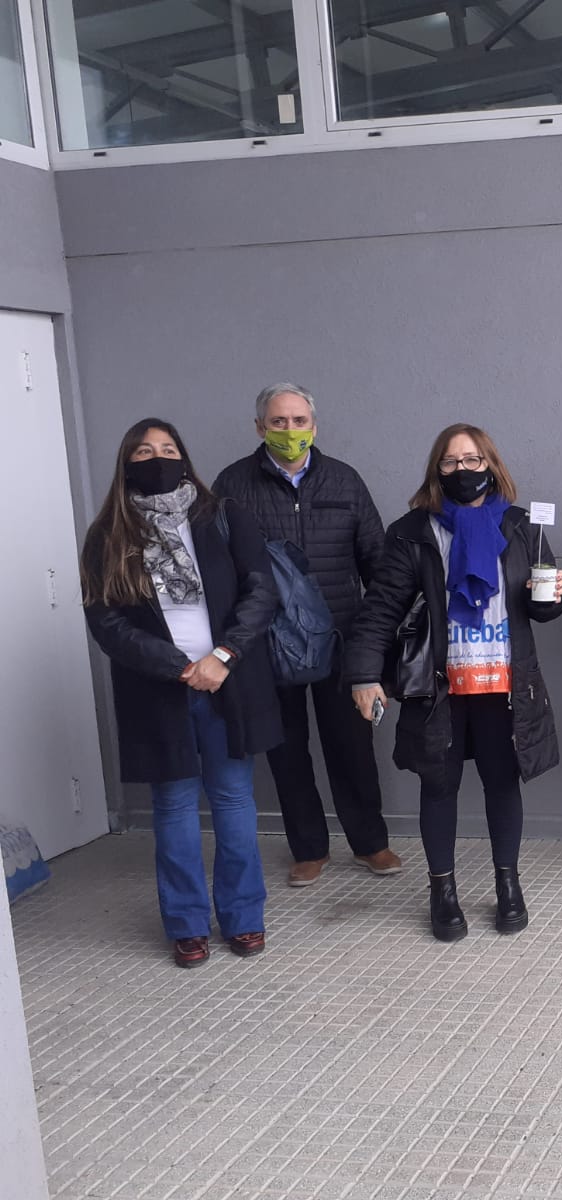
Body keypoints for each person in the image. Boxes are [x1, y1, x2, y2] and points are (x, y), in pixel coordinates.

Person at [344, 424, 562, 942]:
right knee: (438, 787)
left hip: (503, 685)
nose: (462, 470)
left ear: (490, 464)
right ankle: (441, 891)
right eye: (450, 462)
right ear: (436, 470)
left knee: (502, 784)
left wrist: (553, 595)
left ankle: (508, 884)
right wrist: (364, 674)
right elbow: (381, 608)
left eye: (472, 460)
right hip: (439, 687)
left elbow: (541, 608)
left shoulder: (520, 526)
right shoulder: (413, 531)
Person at [81, 420, 281, 968]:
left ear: (185, 458)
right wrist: (178, 667)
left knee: (233, 799)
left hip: (227, 682)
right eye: (145, 451)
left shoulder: (224, 516)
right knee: (172, 806)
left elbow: (261, 591)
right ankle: (187, 925)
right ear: (127, 465)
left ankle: (243, 915)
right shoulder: (108, 535)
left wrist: (223, 657)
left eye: (168, 449)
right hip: (158, 688)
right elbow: (106, 621)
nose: (158, 458)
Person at [213, 383, 399, 887]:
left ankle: (371, 843)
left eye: (299, 421)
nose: (290, 430)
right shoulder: (232, 485)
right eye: (279, 422)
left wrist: (381, 635)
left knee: (353, 746)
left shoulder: (345, 480)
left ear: (314, 426)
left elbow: (376, 560)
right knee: (286, 749)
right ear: (260, 427)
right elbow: (221, 567)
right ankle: (309, 848)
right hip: (269, 642)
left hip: (342, 638)